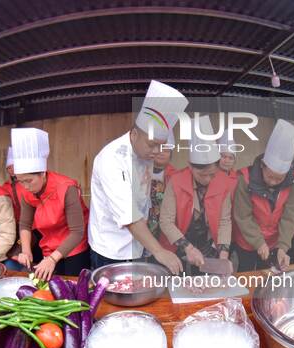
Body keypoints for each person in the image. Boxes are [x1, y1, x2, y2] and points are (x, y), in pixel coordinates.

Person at [88, 80, 189, 274]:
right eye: (152, 144)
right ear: (134, 134)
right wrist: (159, 251)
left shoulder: (145, 153)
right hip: (111, 248)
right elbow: (130, 216)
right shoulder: (112, 158)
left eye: (161, 145)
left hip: (138, 242)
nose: (157, 151)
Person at [12, 128, 90, 279]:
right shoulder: (26, 191)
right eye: (21, 182)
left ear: (42, 173)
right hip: (48, 249)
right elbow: (25, 224)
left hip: (74, 249)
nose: (26, 187)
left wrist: (53, 259)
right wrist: (26, 250)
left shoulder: (67, 188)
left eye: (29, 181)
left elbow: (77, 232)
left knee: (74, 291)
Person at [159, 115, 232, 275]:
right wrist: (188, 248)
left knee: (204, 287)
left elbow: (224, 221)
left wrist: (223, 254)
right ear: (190, 166)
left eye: (212, 174)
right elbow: (166, 221)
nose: (207, 180)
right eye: (202, 175)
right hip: (177, 242)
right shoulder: (176, 182)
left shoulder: (223, 182)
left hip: (206, 243)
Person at [233, 119, 294, 272]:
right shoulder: (245, 179)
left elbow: (289, 217)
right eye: (270, 176)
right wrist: (258, 242)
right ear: (262, 165)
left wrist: (283, 246)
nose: (273, 182)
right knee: (247, 274)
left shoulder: (292, 184)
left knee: (266, 277)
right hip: (247, 239)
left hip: (273, 242)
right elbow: (243, 216)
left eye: (279, 178)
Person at [147, 131, 178, 242]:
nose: (161, 152)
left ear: (171, 154)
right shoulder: (140, 172)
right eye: (159, 148)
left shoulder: (176, 177)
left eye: (166, 149)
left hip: (165, 230)